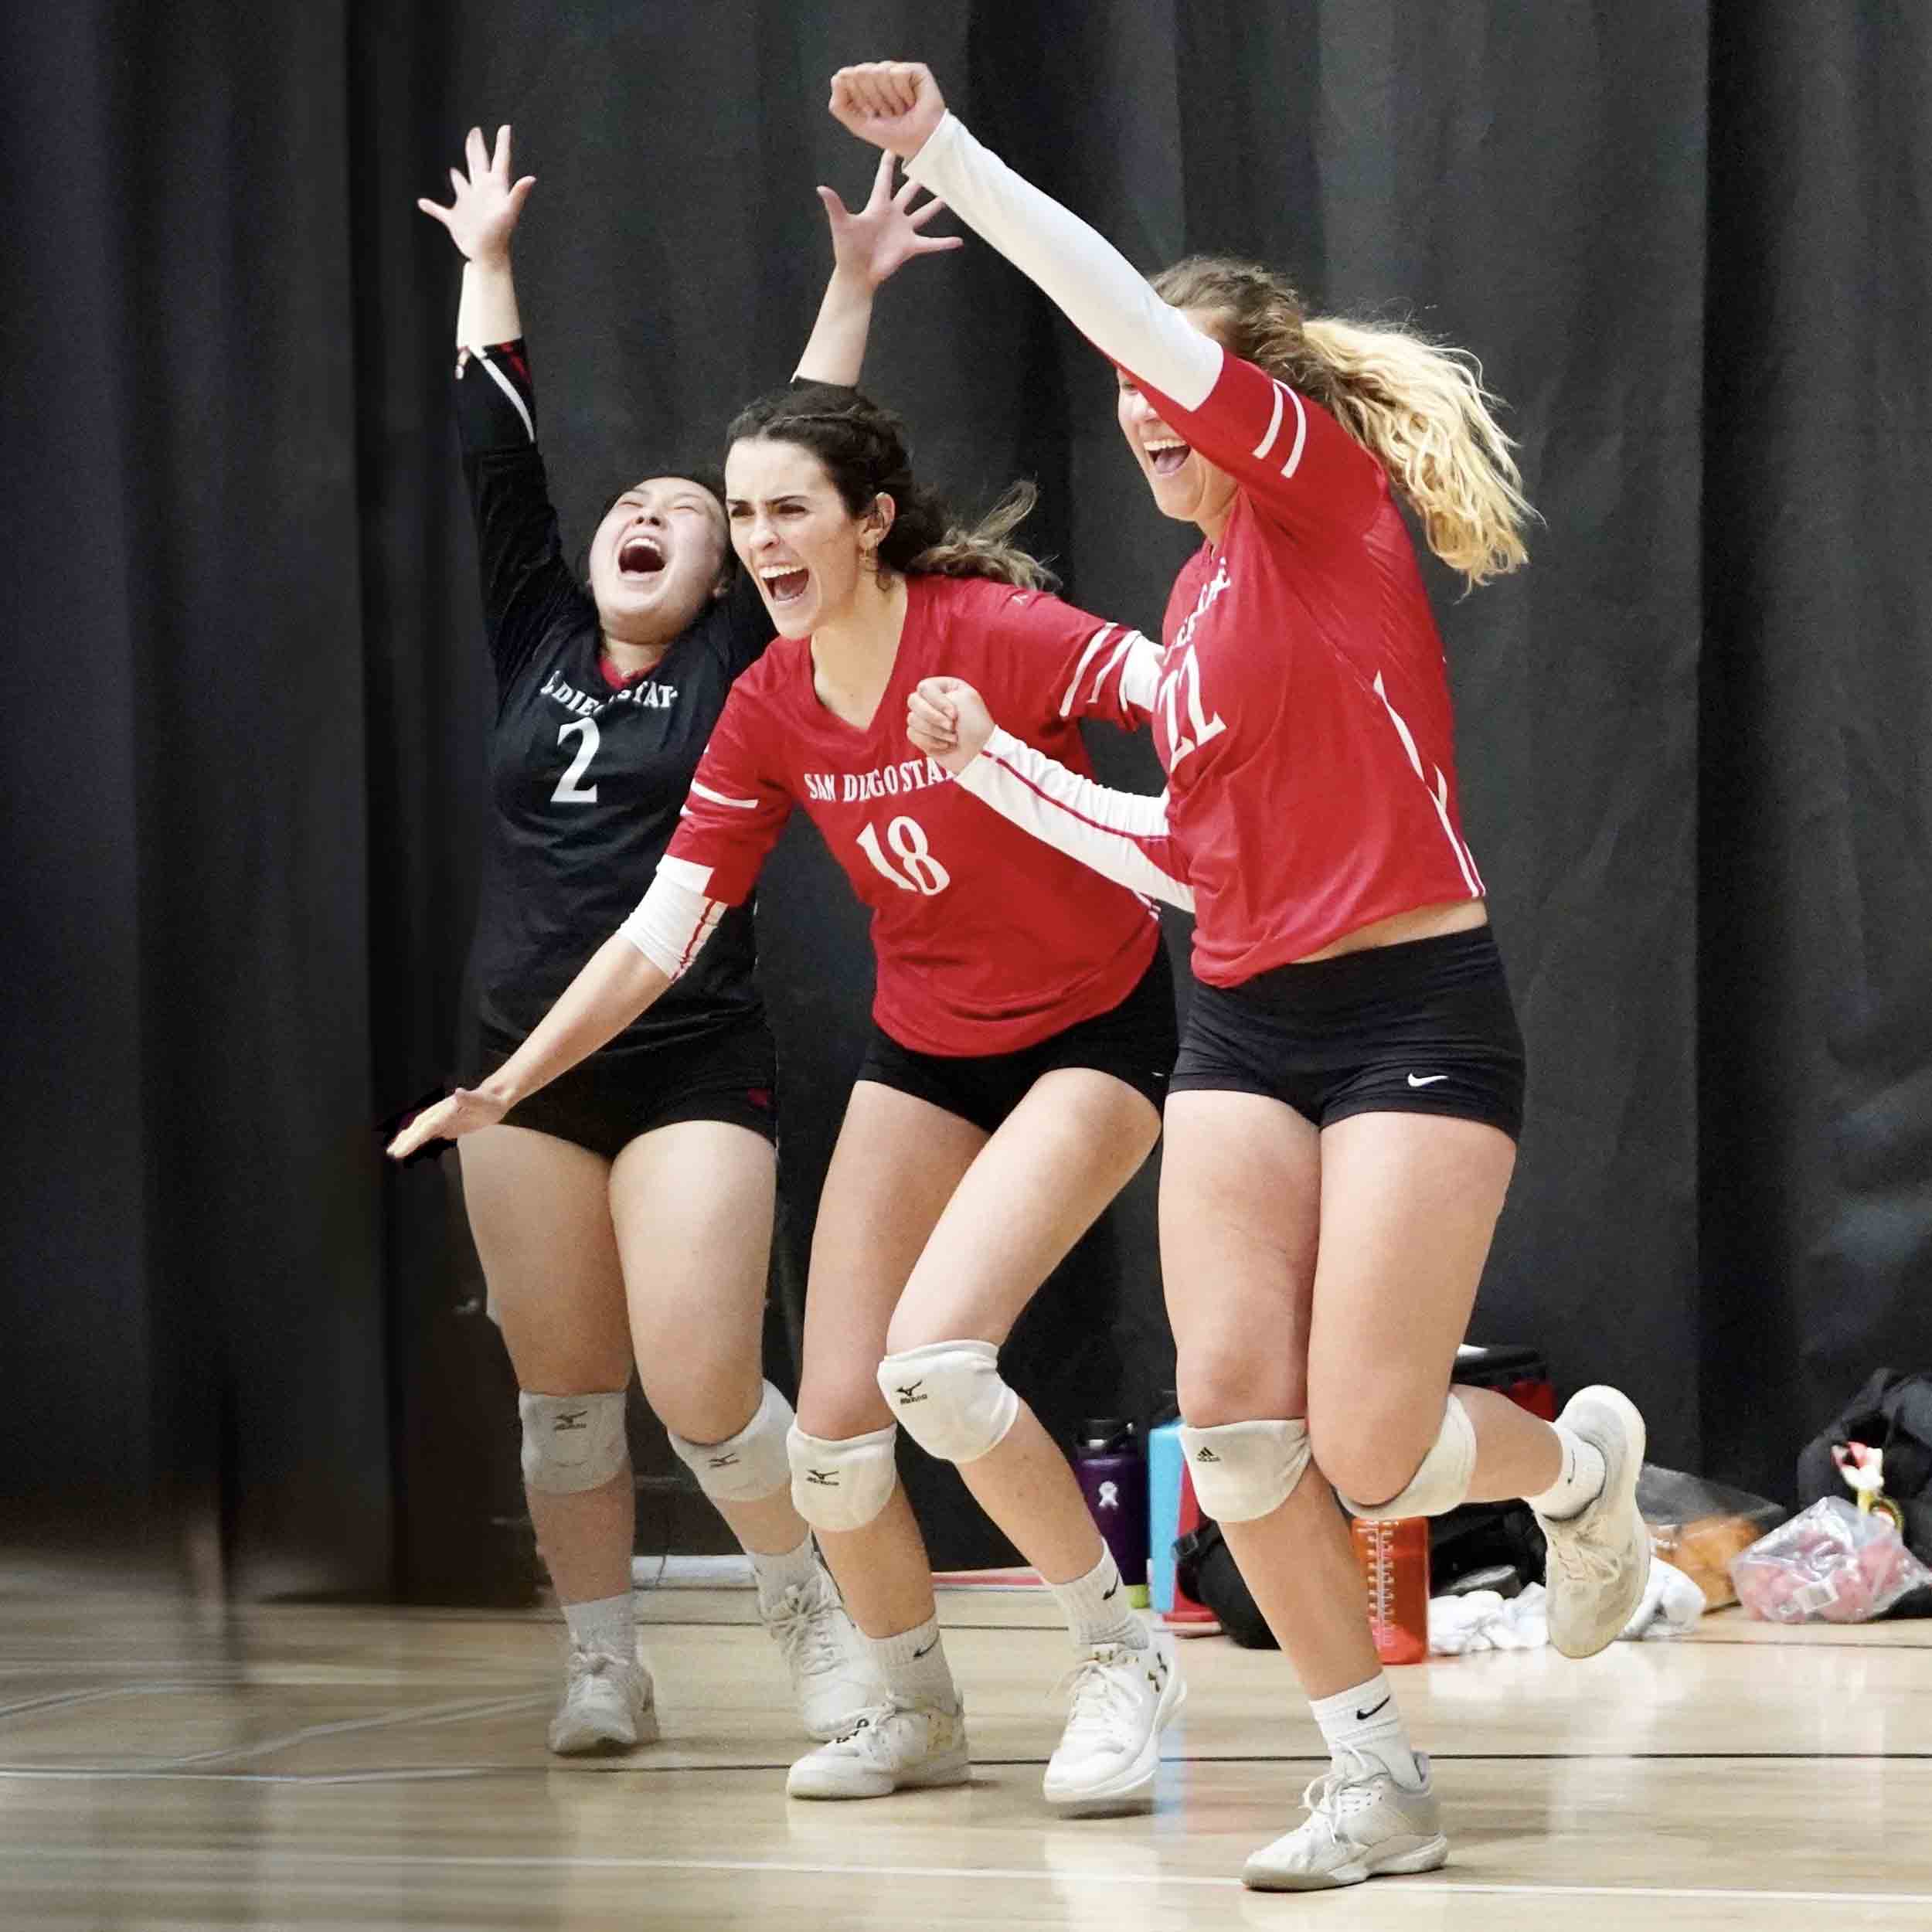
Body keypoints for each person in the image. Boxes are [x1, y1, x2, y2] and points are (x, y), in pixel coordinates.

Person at [828, 62, 1654, 1890]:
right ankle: (1373, 1775)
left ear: (1253, 399)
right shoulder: (1196, 609)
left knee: (1370, 1444)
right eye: (1127, 400)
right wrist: (997, 772)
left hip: (1411, 1012)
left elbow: (1110, 302)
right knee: (1244, 1422)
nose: (1139, 410)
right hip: (1243, 1026)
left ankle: (1580, 1478)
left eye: (1167, 384)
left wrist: (944, 151)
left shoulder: (1314, 499)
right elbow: (1179, 863)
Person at [391, 381, 1189, 1813]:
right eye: (741, 510)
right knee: (829, 1445)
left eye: (786, 510)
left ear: (871, 522)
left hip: (1091, 1028)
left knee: (940, 1370)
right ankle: (917, 1708)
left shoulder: (990, 634)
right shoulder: (765, 704)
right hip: (928, 1046)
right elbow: (662, 929)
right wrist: (507, 1082)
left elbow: (1181, 691)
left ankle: (1117, 1659)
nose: (760, 538)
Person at [413, 124, 960, 1755]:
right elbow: (493, 459)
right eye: (633, 506)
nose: (651, 515)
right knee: (564, 1398)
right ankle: (604, 1663)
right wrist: (485, 261)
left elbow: (790, 449)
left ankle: (809, 1630)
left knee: (702, 1382)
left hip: (685, 1056)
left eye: (692, 515)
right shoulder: (535, 639)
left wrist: (851, 286)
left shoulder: (735, 655)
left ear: (734, 569)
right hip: (518, 1054)